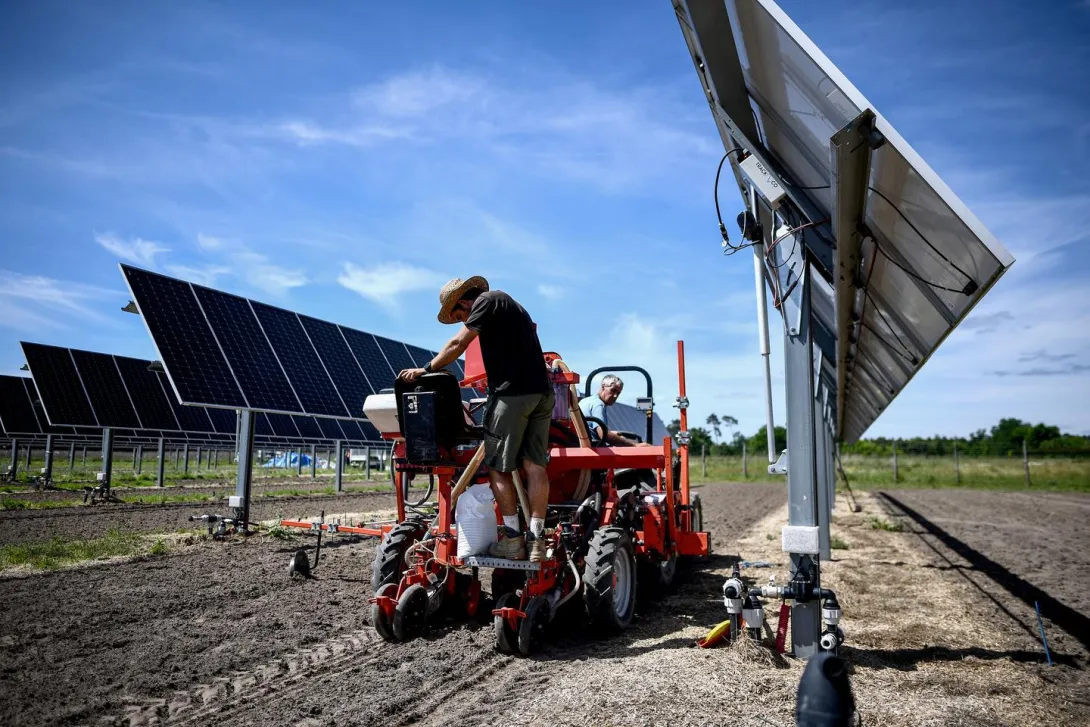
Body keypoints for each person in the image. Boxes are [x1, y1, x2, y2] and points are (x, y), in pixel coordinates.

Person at [397, 276, 554, 562]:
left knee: (498, 468)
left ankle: (513, 539)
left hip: (511, 395)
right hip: (542, 394)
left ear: (463, 302)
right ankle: (536, 541)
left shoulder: (485, 301)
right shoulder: (508, 306)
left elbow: (458, 343)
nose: (463, 321)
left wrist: (426, 369)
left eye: (460, 316)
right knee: (534, 465)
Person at [580, 375, 647, 446]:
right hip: (593, 447)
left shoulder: (585, 401)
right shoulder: (598, 405)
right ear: (603, 387)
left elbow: (595, 429)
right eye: (613, 390)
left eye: (618, 393)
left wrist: (611, 434)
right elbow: (603, 434)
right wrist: (634, 445)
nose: (615, 396)